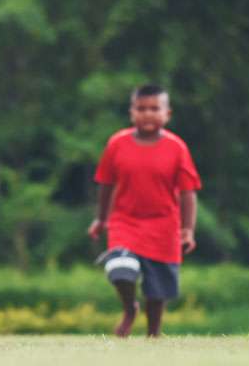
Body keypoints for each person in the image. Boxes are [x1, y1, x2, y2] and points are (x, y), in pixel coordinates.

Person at [88, 85, 201, 338]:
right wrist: (101, 218)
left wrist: (188, 230)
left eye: (154, 109)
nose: (147, 114)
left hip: (164, 226)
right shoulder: (117, 144)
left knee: (157, 289)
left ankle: (153, 335)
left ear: (167, 114)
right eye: (141, 109)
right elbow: (106, 184)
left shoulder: (176, 148)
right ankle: (130, 309)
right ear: (132, 112)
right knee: (120, 267)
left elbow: (188, 192)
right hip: (125, 222)